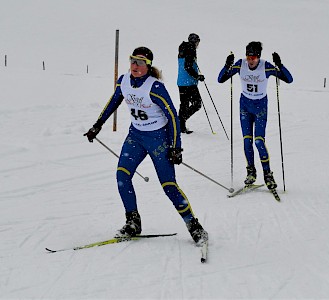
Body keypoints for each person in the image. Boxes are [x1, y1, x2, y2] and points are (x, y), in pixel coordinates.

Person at [84, 46, 208, 245]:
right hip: (136, 137)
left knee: (168, 185)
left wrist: (176, 147)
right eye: (133, 60)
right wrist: (97, 125)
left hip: (158, 139)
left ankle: (194, 226)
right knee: (122, 175)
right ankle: (133, 221)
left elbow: (173, 117)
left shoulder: (155, 87)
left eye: (140, 62)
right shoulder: (123, 81)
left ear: (148, 66)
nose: (135, 65)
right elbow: (113, 102)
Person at [217, 41, 293, 190]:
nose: (250, 60)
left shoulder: (266, 66)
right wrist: (227, 65)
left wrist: (280, 64)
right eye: (248, 56)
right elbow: (220, 79)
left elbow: (289, 79)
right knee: (247, 141)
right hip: (245, 106)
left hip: (260, 108)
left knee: (259, 141)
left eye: (253, 57)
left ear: (258, 57)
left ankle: (268, 174)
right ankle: (251, 172)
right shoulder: (240, 65)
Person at [177, 33, 205, 134]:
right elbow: (188, 66)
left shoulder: (182, 49)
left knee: (184, 104)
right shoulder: (190, 49)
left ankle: (180, 126)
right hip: (189, 83)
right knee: (197, 104)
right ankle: (180, 121)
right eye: (198, 42)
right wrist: (197, 76)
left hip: (181, 82)